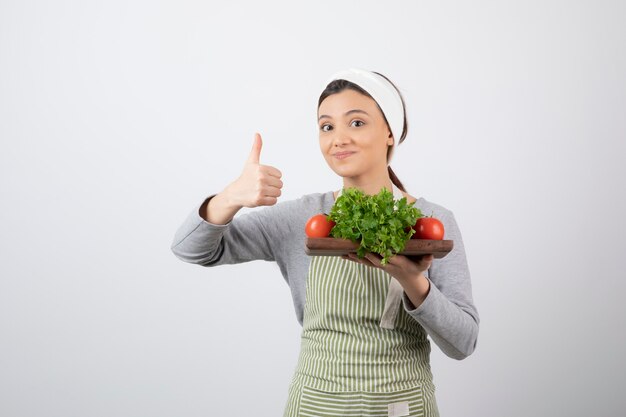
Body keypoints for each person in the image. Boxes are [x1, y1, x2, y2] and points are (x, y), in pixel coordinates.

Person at [171, 68, 479, 417]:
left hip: (402, 407)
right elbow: (190, 249)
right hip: (315, 407)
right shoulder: (302, 218)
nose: (338, 138)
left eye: (357, 123)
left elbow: (463, 343)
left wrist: (412, 280)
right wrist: (229, 198)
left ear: (390, 133)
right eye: (327, 126)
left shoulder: (430, 223)